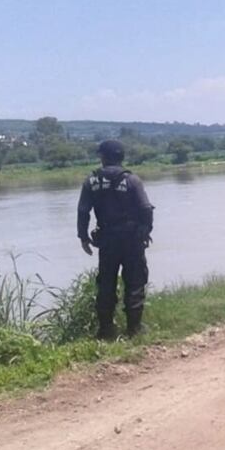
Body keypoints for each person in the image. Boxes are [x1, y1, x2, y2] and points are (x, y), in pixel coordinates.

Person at [77, 140, 154, 340]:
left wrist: (83, 237)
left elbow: (83, 211)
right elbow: (146, 209)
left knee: (106, 284)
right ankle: (134, 329)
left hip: (107, 240)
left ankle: (105, 330)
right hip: (131, 240)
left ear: (103, 157)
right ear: (121, 157)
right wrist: (145, 231)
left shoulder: (91, 181)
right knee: (135, 282)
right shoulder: (132, 180)